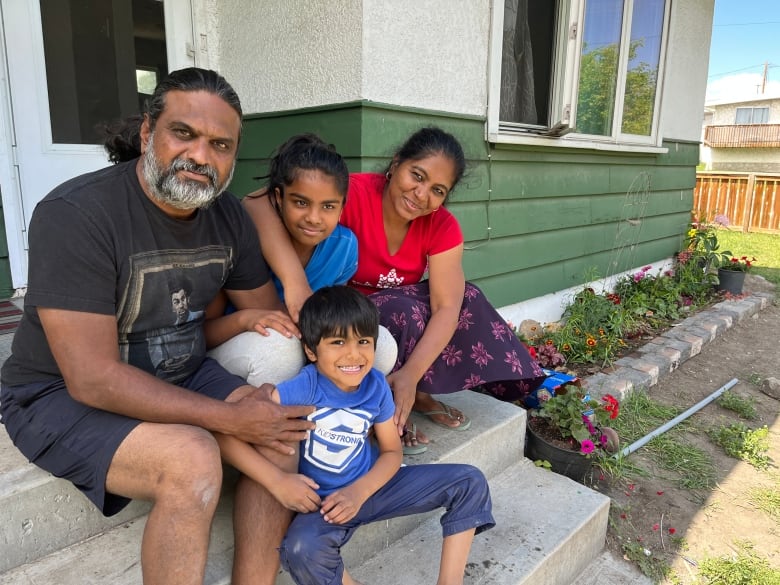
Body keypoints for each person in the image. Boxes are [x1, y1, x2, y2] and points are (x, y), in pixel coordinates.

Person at [0, 68, 315, 585]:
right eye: (184, 133)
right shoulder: (77, 213)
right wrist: (226, 418)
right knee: (191, 460)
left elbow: (268, 318)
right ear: (148, 134)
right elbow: (93, 378)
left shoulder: (228, 217)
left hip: (181, 370)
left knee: (279, 427)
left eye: (220, 144)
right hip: (56, 394)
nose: (200, 157)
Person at [251, 126, 545, 451]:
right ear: (396, 164)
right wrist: (296, 284)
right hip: (345, 314)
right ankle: (385, 411)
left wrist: (411, 375)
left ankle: (412, 391)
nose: (421, 194)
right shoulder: (355, 192)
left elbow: (447, 305)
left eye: (438, 190)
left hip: (389, 321)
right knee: (400, 310)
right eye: (416, 176)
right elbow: (258, 203)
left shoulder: (442, 225)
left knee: (466, 297)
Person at [221, 285, 495, 585]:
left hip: (371, 487)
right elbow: (226, 433)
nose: (354, 354)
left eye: (363, 341)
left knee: (469, 481)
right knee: (302, 548)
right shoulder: (301, 388)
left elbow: (392, 451)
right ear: (312, 351)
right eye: (338, 342)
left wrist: (360, 491)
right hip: (323, 505)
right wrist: (278, 481)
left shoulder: (376, 386)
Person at [205, 133, 397, 385]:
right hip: (241, 348)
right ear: (278, 197)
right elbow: (204, 333)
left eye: (328, 206)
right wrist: (246, 319)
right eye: (301, 202)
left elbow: (332, 320)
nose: (314, 218)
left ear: (342, 207)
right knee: (280, 349)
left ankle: (337, 413)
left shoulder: (343, 248)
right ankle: (266, 417)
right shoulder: (245, 238)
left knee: (379, 343)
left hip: (303, 346)